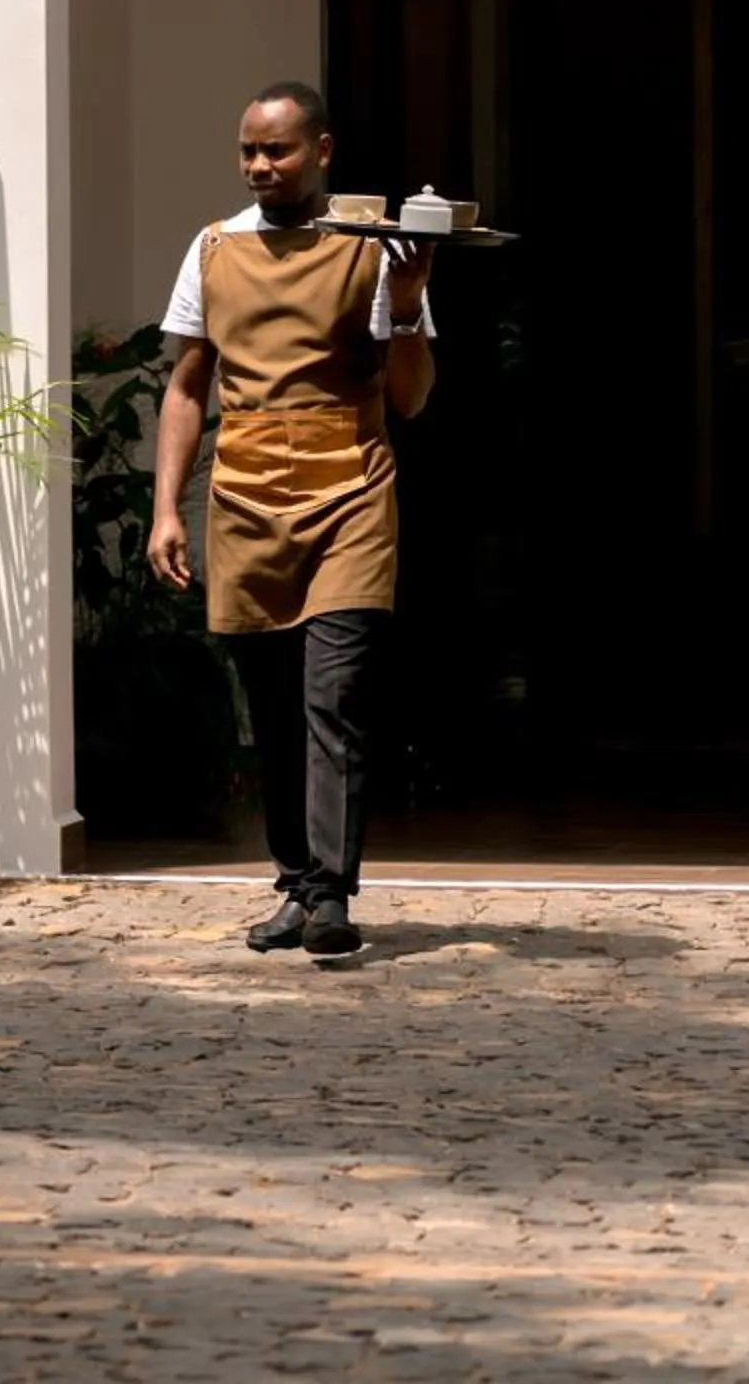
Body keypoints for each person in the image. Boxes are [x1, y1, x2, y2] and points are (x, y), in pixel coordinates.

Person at [146, 80, 435, 958]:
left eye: (277, 149)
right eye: (248, 151)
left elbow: (412, 399)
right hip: (245, 495)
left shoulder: (378, 252)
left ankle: (333, 894)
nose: (260, 165)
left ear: (323, 151)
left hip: (350, 489)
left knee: (333, 696)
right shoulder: (214, 249)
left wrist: (414, 302)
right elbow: (189, 386)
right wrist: (167, 508)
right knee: (271, 708)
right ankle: (295, 884)